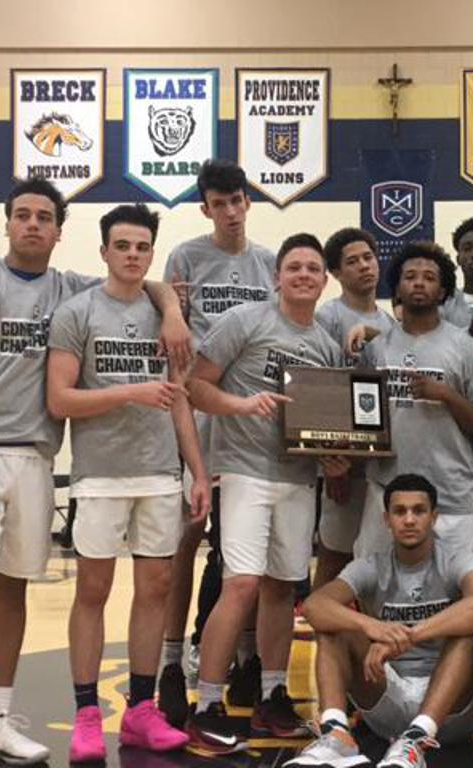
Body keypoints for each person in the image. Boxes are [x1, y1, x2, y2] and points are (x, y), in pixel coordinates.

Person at [0, 178, 189, 768]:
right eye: (23, 214)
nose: (33, 224)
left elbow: (137, 280)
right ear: (8, 223)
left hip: (37, 456)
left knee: (14, 586)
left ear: (60, 231)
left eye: (45, 216)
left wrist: (170, 308)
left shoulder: (71, 291)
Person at [46, 204, 211, 761]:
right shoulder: (77, 312)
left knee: (156, 594)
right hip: (100, 475)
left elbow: (181, 400)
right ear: (103, 252)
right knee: (92, 592)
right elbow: (60, 398)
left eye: (142, 247)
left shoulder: (167, 314)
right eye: (123, 246)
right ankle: (87, 713)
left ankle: (141, 710)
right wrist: (131, 392)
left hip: (160, 472)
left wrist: (198, 470)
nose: (133, 255)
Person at [184, 233, 346, 753]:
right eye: (293, 266)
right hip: (246, 471)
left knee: (282, 587)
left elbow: (324, 422)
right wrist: (241, 406)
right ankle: (207, 701)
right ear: (277, 276)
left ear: (324, 281)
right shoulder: (245, 321)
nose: (303, 275)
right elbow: (196, 385)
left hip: (297, 478)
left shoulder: (325, 344)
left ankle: (274, 695)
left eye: (313, 269)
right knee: (241, 585)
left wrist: (334, 456)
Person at [158, 158, 278, 725]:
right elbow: (165, 307)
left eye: (238, 201)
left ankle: (247, 656)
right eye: (219, 204)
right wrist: (171, 311)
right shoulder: (186, 256)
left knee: (242, 550)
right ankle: (169, 661)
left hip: (253, 421)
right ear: (206, 208)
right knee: (188, 536)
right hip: (201, 413)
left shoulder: (269, 263)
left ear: (248, 202)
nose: (230, 212)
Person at [288, 473, 473, 768]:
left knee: (466, 632)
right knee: (333, 625)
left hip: (449, 710)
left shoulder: (456, 560)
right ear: (386, 520)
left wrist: (409, 636)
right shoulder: (372, 565)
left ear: (434, 517)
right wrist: (372, 627)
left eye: (418, 511)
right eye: (400, 511)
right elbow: (314, 605)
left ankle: (416, 740)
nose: (409, 520)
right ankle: (336, 736)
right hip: (386, 697)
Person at [355, 242, 473, 557]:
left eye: (429, 277)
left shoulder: (466, 347)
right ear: (398, 288)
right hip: (386, 491)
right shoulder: (377, 349)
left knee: (459, 592)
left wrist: (445, 394)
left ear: (443, 290)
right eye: (411, 276)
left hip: (452, 494)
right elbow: (358, 420)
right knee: (377, 588)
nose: (419, 282)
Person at [314, 227, 396, 587]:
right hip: (343, 460)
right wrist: (333, 464)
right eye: (353, 261)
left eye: (369, 257)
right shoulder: (328, 317)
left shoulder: (390, 322)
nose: (365, 266)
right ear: (335, 273)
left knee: (373, 560)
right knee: (335, 555)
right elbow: (318, 392)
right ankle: (324, 637)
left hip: (378, 460)